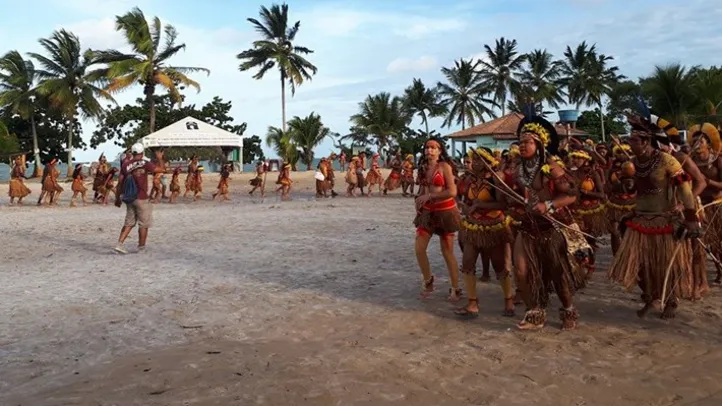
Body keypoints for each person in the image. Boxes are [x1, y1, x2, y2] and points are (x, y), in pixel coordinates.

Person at [608, 114, 700, 319]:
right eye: (629, 140)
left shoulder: (667, 160)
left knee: (664, 264)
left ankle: (671, 300)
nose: (629, 143)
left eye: (633, 140)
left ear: (645, 142)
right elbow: (635, 190)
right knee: (640, 264)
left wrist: (691, 216)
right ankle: (650, 297)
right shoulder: (632, 163)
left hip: (663, 219)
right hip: (640, 218)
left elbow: (685, 188)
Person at [509, 115, 589, 330]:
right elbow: (513, 197)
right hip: (528, 227)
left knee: (557, 272)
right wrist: (515, 207)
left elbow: (572, 195)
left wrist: (549, 205)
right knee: (521, 271)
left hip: (552, 227)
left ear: (540, 144)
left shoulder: (551, 168)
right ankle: (534, 313)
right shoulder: (518, 170)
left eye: (528, 142)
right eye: (521, 141)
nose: (522, 145)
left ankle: (568, 309)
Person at [454, 147, 516, 317]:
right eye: (474, 159)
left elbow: (504, 205)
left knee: (499, 265)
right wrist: (463, 206)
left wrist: (480, 205)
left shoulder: (496, 179)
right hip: (472, 226)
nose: (474, 162)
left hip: (494, 226)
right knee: (467, 262)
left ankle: (508, 299)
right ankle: (472, 303)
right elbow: (458, 196)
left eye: (479, 159)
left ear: (489, 162)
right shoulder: (468, 179)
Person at [414, 138, 462, 301]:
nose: (430, 150)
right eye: (427, 147)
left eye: (434, 148)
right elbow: (422, 189)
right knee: (419, 249)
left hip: (446, 212)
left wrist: (430, 195)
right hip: (427, 212)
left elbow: (452, 191)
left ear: (440, 151)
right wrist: (419, 200)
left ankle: (455, 287)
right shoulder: (422, 168)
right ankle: (428, 280)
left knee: (447, 252)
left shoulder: (445, 167)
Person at [114, 143, 165, 254]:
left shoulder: (125, 165)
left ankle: (120, 244)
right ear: (142, 153)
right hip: (141, 197)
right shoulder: (145, 163)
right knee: (143, 224)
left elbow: (120, 182)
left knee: (129, 222)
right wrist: (160, 158)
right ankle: (141, 247)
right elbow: (161, 170)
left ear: (132, 152)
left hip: (129, 198)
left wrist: (118, 198)